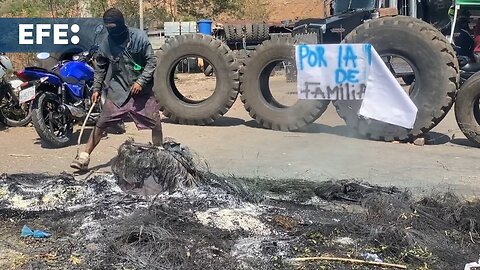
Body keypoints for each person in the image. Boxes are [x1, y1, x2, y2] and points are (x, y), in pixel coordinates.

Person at [70, 7, 163, 171]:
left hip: (142, 91)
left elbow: (151, 62)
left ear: (122, 25)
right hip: (118, 91)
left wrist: (141, 81)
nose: (112, 31)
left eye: (115, 27)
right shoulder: (106, 43)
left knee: (155, 122)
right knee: (101, 123)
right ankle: (84, 157)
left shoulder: (139, 38)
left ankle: (160, 154)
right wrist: (96, 89)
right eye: (109, 28)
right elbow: (100, 67)